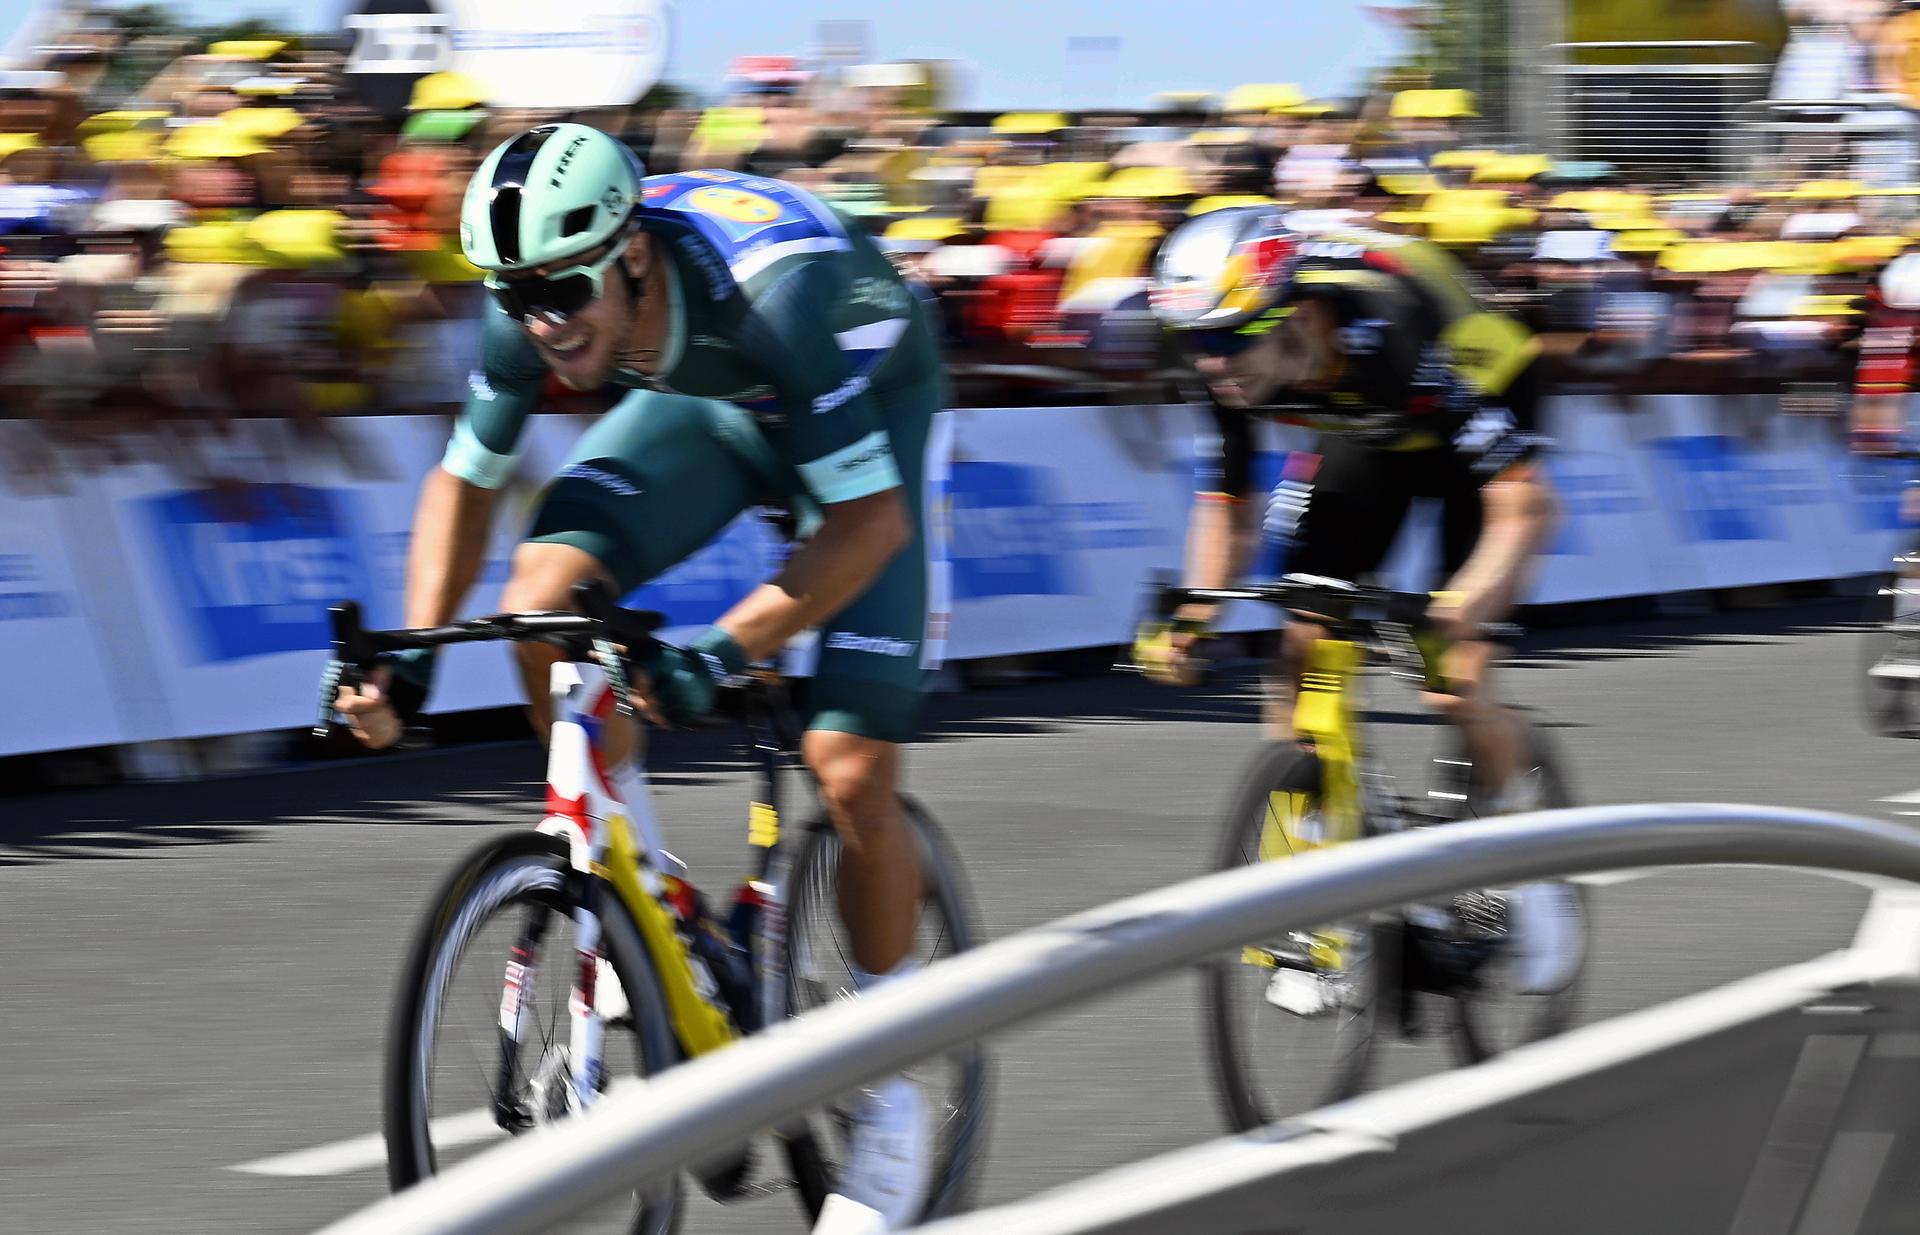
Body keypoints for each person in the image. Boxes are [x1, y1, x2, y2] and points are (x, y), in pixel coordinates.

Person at [329, 123, 940, 1229]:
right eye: (518, 299)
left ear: (635, 256)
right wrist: (409, 657)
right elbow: (466, 483)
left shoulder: (776, 299)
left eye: (566, 292)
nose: (543, 325)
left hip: (860, 408)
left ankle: (894, 1085)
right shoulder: (533, 294)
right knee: (544, 595)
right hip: (712, 407)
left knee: (848, 770)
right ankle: (628, 887)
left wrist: (723, 652)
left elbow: (869, 520)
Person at [1135, 204, 1579, 992]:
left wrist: (1457, 615)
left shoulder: (1394, 333)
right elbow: (1227, 503)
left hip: (1483, 407)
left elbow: (1527, 506)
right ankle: (1301, 914)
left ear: (1295, 315)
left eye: (1230, 341)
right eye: (1194, 343)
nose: (1212, 364)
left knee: (1456, 679)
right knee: (1303, 645)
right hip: (1370, 431)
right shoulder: (1230, 344)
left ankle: (1528, 877)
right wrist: (1196, 612)